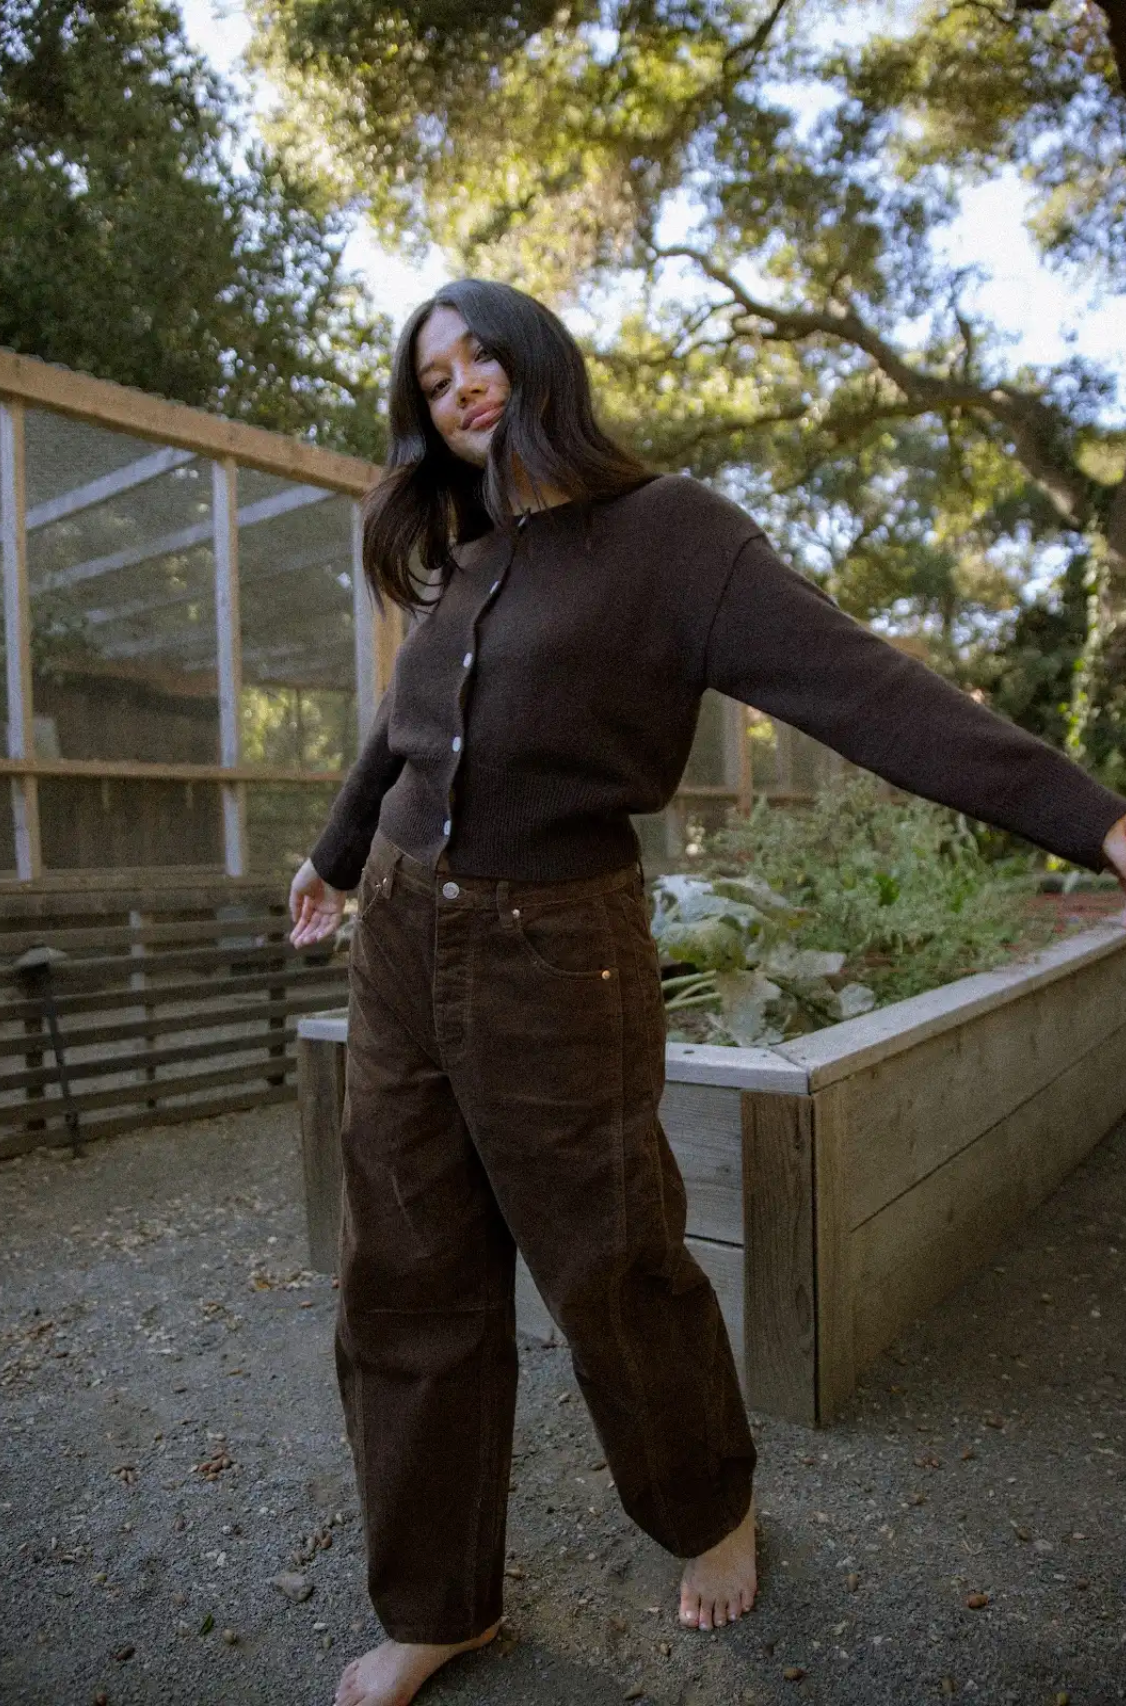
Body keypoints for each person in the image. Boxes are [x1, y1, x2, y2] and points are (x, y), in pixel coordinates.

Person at [288, 278, 1126, 1706]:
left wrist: (1096, 821)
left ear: (537, 359)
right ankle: (437, 1600)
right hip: (401, 951)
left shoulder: (675, 538)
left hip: (558, 947)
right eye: (433, 380)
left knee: (612, 1263)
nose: (464, 385)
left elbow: (869, 689)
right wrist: (333, 855)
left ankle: (707, 1506)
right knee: (403, 1272)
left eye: (482, 351)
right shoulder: (470, 560)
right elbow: (405, 728)